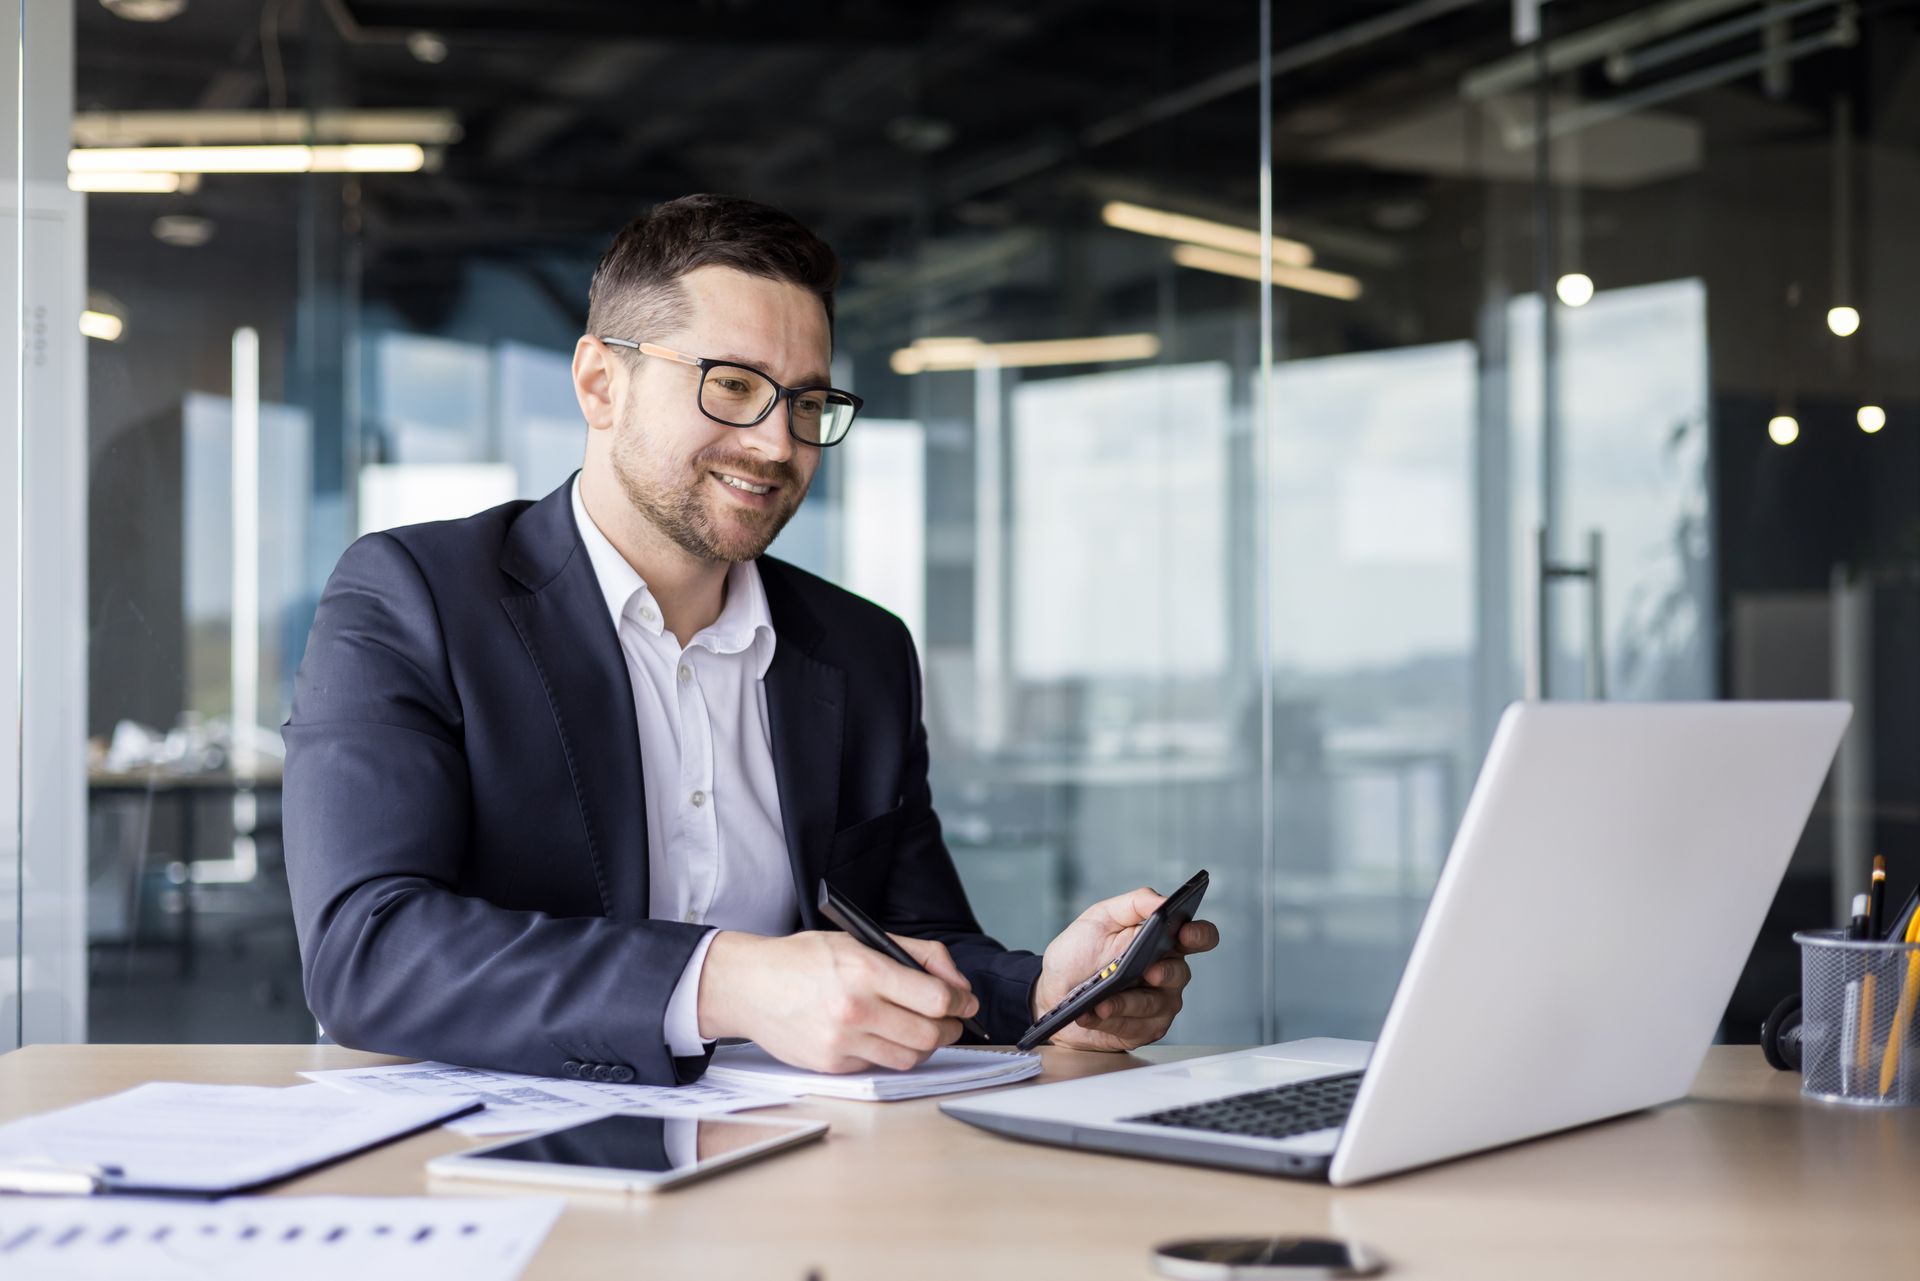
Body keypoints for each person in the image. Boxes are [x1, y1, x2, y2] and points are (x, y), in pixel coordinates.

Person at [283, 193, 1218, 1087]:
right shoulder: (417, 598)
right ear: (601, 383)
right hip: (486, 1170)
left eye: (808, 403)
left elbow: (910, 941)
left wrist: (1048, 991)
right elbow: (370, 949)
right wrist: (733, 981)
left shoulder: (861, 650)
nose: (778, 444)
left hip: (788, 1168)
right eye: (733, 385)